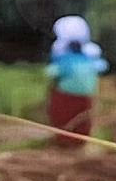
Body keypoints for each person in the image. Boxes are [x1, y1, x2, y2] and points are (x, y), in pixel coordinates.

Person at [44, 13, 108, 143]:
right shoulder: (90, 59)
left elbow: (51, 72)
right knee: (81, 125)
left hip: (67, 98)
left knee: (64, 122)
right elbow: (102, 67)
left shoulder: (66, 60)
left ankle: (64, 142)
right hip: (86, 99)